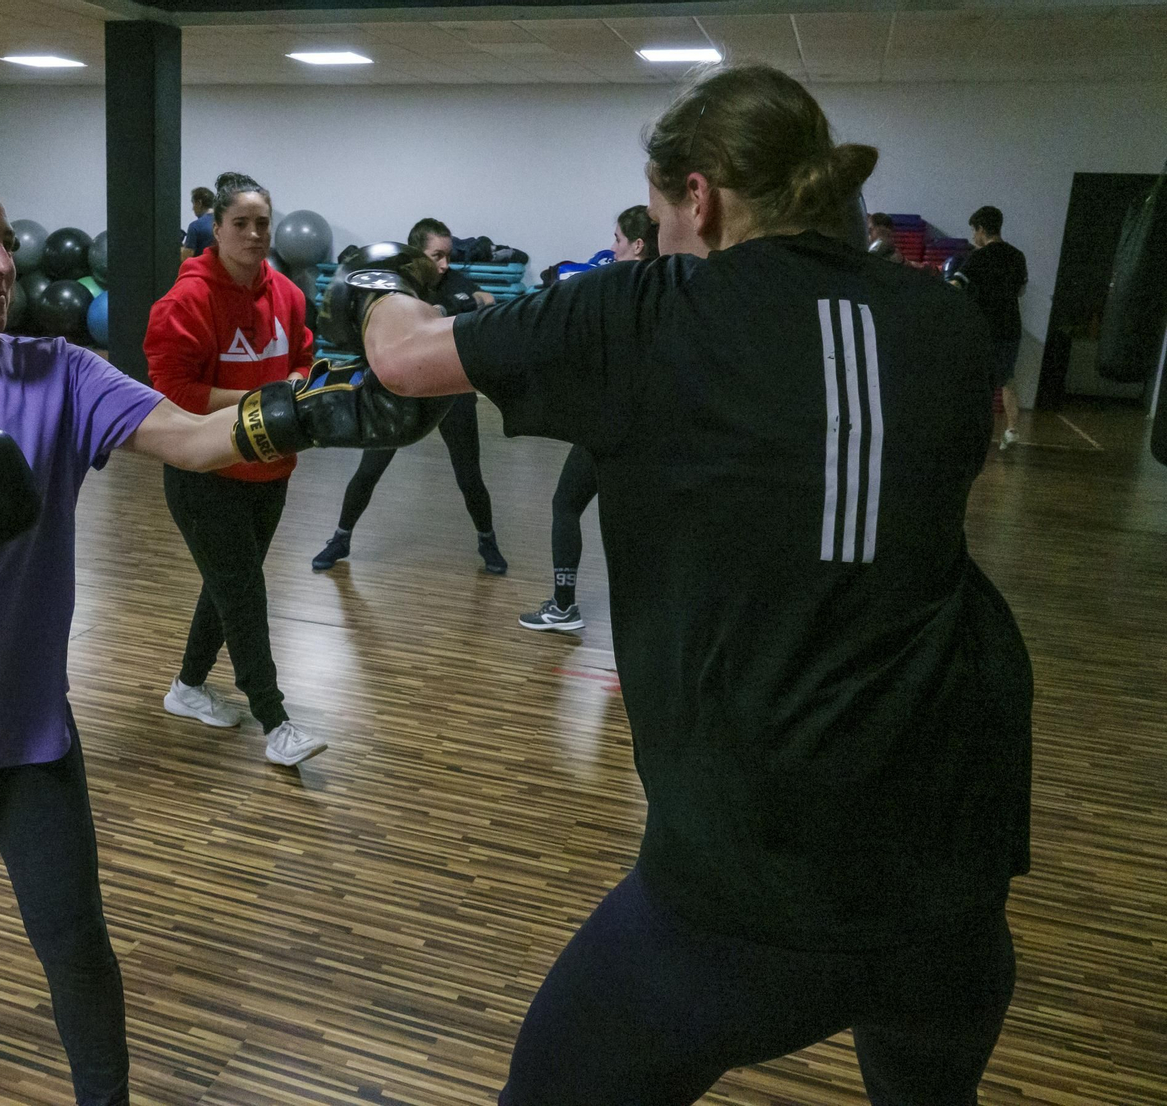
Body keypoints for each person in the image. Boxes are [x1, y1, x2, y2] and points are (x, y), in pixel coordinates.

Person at [341, 64, 1032, 1106]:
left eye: (661, 210)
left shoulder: (652, 309)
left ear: (697, 198)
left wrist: (375, 281)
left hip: (749, 884)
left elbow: (402, 358)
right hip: (953, 869)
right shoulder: (943, 321)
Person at [0, 160, 441, 1106]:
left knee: (74, 943)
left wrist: (314, 413)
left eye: (5, 242)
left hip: (17, 722)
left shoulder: (57, 374)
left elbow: (193, 438)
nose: (3, 263)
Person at [146, 171, 327, 767]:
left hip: (270, 470)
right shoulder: (186, 301)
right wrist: (268, 395)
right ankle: (275, 723)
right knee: (245, 594)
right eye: (241, 224)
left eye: (262, 224)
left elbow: (302, 359)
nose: (254, 235)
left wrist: (296, 388)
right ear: (216, 228)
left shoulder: (290, 295)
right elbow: (175, 391)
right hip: (205, 475)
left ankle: (187, 687)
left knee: (227, 587)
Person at [310, 217, 507, 575]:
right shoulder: (393, 287)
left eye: (448, 256)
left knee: (468, 473)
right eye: (437, 256)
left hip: (449, 391)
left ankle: (487, 540)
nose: (445, 265)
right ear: (416, 254)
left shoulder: (454, 284)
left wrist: (461, 307)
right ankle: (340, 538)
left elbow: (486, 300)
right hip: (400, 390)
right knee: (369, 469)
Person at [520, 205, 659, 632]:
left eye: (617, 240)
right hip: (651, 422)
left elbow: (561, 277)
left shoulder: (618, 280)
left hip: (611, 420)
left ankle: (565, 606)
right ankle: (649, 620)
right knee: (640, 523)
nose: (610, 247)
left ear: (637, 245)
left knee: (569, 505)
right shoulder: (669, 280)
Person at [958, 205, 1028, 448]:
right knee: (1007, 378)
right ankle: (1011, 431)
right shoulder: (1017, 256)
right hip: (1011, 327)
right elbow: (1021, 290)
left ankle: (976, 433)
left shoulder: (977, 257)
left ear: (981, 229)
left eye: (973, 230)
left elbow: (956, 285)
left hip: (984, 328)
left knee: (980, 382)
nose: (972, 237)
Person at [180, 186, 216, 261]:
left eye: (193, 203)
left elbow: (187, 257)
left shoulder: (195, 226)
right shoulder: (225, 222)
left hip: (203, 270)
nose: (193, 208)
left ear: (199, 203)